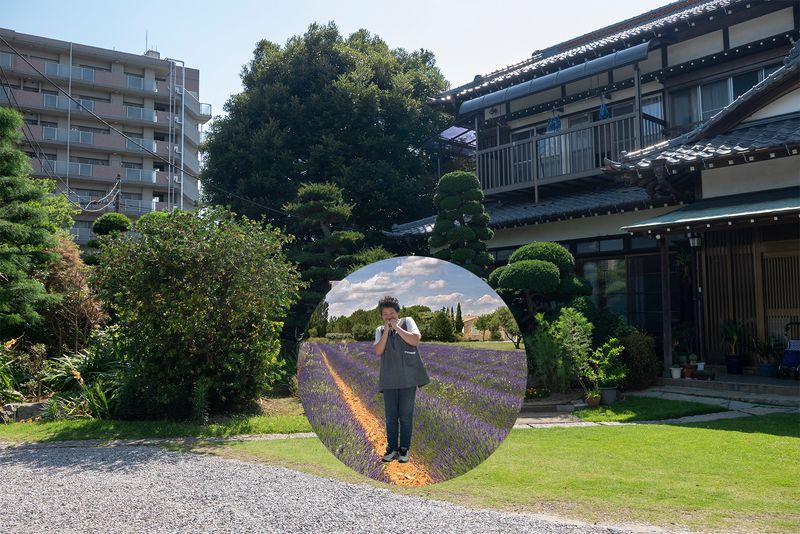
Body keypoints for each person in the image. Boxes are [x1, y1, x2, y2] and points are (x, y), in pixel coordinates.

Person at [373, 295, 429, 463]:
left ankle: (404, 448)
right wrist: (387, 332)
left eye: (391, 313)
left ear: (398, 312)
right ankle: (392, 448)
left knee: (405, 415)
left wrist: (397, 328)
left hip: (408, 379)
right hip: (389, 379)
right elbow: (378, 351)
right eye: (385, 314)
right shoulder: (380, 330)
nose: (389, 316)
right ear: (382, 316)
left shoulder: (408, 321)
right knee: (390, 417)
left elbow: (415, 340)